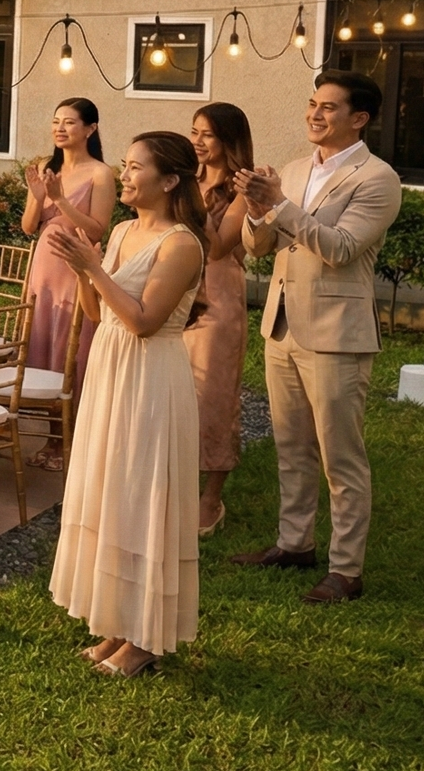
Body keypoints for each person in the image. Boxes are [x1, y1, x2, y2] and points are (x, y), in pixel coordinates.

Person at [45, 132, 209, 679]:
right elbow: (97, 312)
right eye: (126, 164)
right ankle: (118, 623)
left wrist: (93, 268)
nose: (127, 175)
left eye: (137, 167)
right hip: (110, 369)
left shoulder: (181, 244)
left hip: (151, 377)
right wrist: (81, 267)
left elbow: (144, 320)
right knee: (111, 491)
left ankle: (145, 639)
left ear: (169, 180)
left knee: (142, 497)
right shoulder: (119, 231)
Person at [233, 72, 401, 604]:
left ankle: (346, 570)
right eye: (312, 104)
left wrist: (280, 205)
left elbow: (342, 247)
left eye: (329, 107)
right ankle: (293, 543)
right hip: (282, 324)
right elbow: (260, 247)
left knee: (340, 456)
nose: (315, 114)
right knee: (291, 445)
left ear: (359, 119)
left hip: (336, 333)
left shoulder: (376, 177)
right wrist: (258, 211)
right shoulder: (295, 168)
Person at [20, 98, 118, 470]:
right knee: (42, 346)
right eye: (56, 121)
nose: (60, 129)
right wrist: (39, 196)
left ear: (90, 129)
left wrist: (61, 201)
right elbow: (29, 227)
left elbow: (95, 230)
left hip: (74, 268)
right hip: (43, 267)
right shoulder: (47, 167)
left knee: (70, 350)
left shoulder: (100, 174)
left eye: (70, 123)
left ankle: (70, 441)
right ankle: (50, 435)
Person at [188, 102, 256, 534]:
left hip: (218, 296)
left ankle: (211, 498)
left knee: (214, 399)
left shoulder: (242, 191)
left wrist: (188, 202)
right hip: (177, 291)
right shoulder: (187, 179)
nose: (196, 141)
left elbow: (218, 247)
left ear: (228, 141)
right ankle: (170, 486)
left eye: (206, 134)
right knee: (174, 395)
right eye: (193, 132)